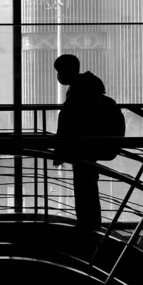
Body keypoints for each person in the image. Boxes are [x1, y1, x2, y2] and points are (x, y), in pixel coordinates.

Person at [52, 54, 106, 232]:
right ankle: (91, 223)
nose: (58, 76)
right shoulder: (91, 87)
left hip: (82, 146)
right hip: (92, 144)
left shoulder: (77, 91)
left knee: (84, 187)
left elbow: (67, 121)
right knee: (88, 185)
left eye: (60, 72)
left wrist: (60, 151)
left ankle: (87, 224)